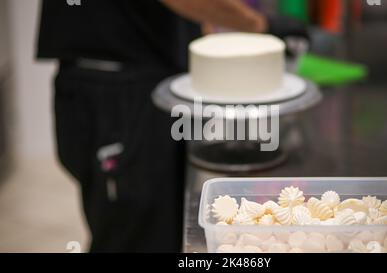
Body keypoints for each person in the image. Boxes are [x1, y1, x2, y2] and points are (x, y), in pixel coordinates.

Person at [37, 0, 307, 252]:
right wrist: (260, 25)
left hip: (127, 84)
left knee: (154, 230)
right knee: (136, 238)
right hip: (118, 94)